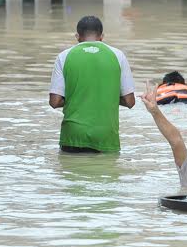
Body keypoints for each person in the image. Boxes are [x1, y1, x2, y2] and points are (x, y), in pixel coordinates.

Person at [49, 15, 136, 154]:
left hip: (72, 136)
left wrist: (79, 96)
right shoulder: (118, 56)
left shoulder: (64, 56)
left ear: (77, 36)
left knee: (71, 174)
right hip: (106, 136)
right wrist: (105, 96)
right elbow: (130, 101)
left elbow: (54, 101)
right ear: (102, 36)